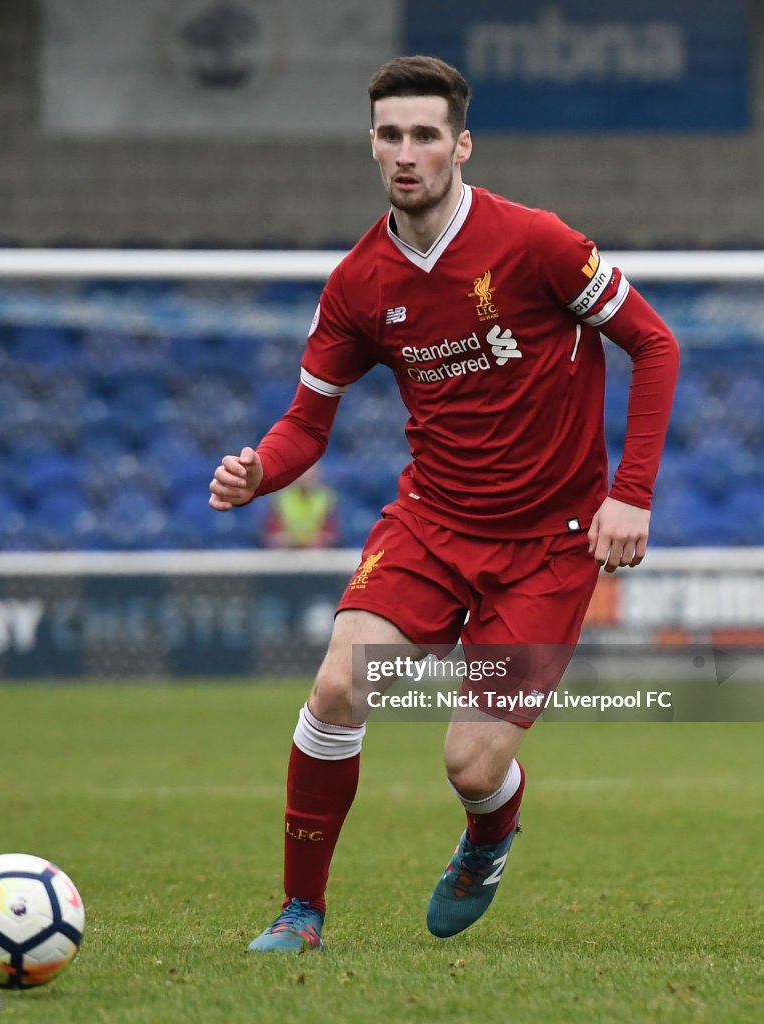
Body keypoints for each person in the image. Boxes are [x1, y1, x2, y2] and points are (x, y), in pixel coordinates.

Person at [209, 55, 679, 952]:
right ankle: (300, 913)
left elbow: (653, 346)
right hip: (430, 524)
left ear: (460, 144)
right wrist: (258, 472)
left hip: (550, 543)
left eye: (425, 135)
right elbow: (307, 423)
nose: (406, 152)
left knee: (468, 764)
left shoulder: (534, 243)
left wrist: (631, 495)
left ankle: (487, 833)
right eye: (390, 135)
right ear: (372, 146)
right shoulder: (357, 283)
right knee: (341, 681)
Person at [263, 463, 339, 548]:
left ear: (319, 472)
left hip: (316, 554)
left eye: (310, 469)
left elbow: (331, 535)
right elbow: (273, 535)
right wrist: (290, 540)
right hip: (287, 553)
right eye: (303, 470)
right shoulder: (280, 498)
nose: (306, 475)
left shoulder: (327, 498)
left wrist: (314, 541)